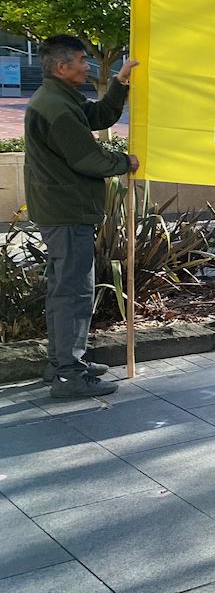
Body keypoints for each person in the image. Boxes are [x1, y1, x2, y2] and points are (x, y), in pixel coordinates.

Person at [24, 36, 141, 399]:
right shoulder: (56, 108)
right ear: (62, 67)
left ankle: (61, 364)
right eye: (80, 60)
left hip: (61, 208)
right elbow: (86, 158)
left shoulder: (59, 99)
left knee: (65, 289)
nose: (87, 66)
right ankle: (68, 374)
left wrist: (120, 82)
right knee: (73, 292)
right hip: (67, 211)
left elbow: (98, 115)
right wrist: (126, 162)